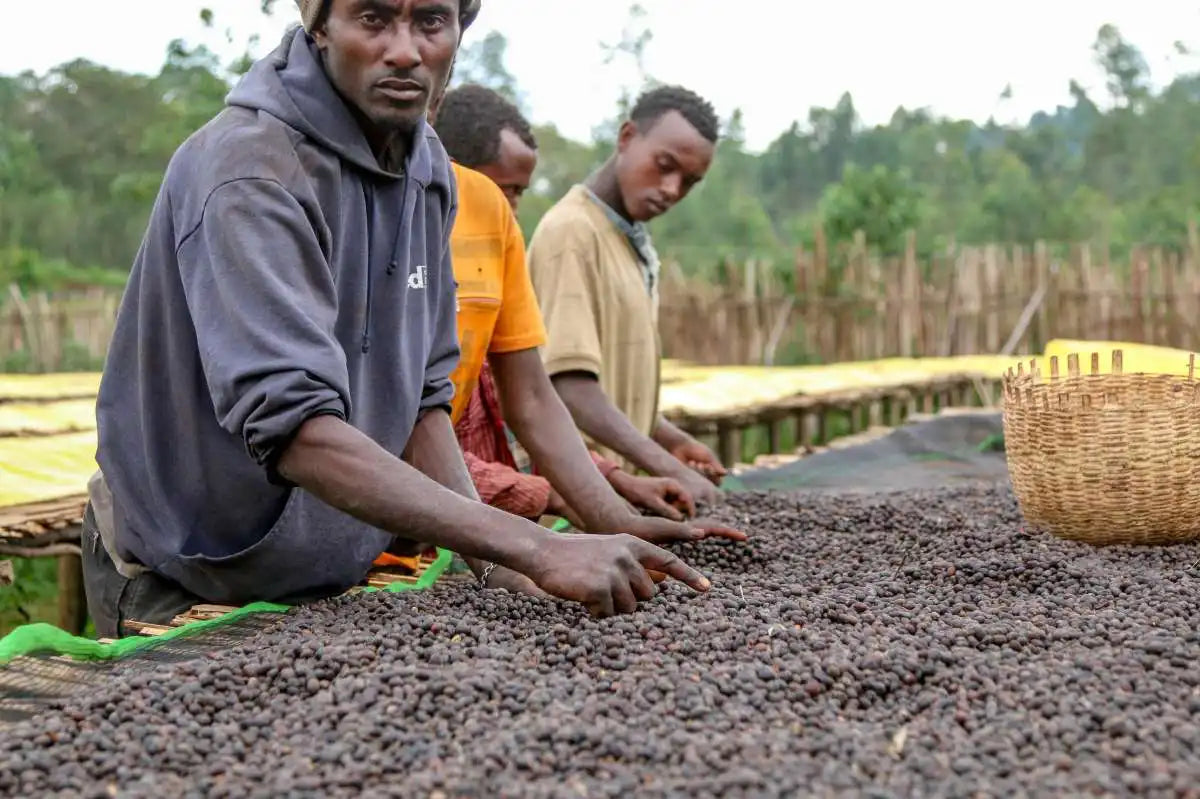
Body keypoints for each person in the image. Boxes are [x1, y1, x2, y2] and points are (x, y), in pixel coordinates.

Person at [82, 0, 715, 636]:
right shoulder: (250, 170)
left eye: (431, 21)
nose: (407, 50)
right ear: (320, 25)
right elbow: (297, 429)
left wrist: (498, 565)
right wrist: (536, 546)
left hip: (320, 579)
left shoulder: (426, 168)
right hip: (184, 574)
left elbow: (420, 404)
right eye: (374, 18)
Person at [429, 83, 703, 525]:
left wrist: (618, 482)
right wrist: (554, 496)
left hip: (480, 524)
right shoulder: (568, 234)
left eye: (518, 193)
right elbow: (416, 445)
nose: (510, 209)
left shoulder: (494, 252)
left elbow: (525, 405)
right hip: (423, 529)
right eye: (506, 190)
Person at [527, 85, 729, 507]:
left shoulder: (626, 241)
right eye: (665, 166)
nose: (672, 189)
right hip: (573, 510)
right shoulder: (572, 234)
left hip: (620, 504)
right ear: (626, 137)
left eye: (689, 182)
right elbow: (568, 387)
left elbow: (612, 386)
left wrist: (670, 439)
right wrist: (668, 467)